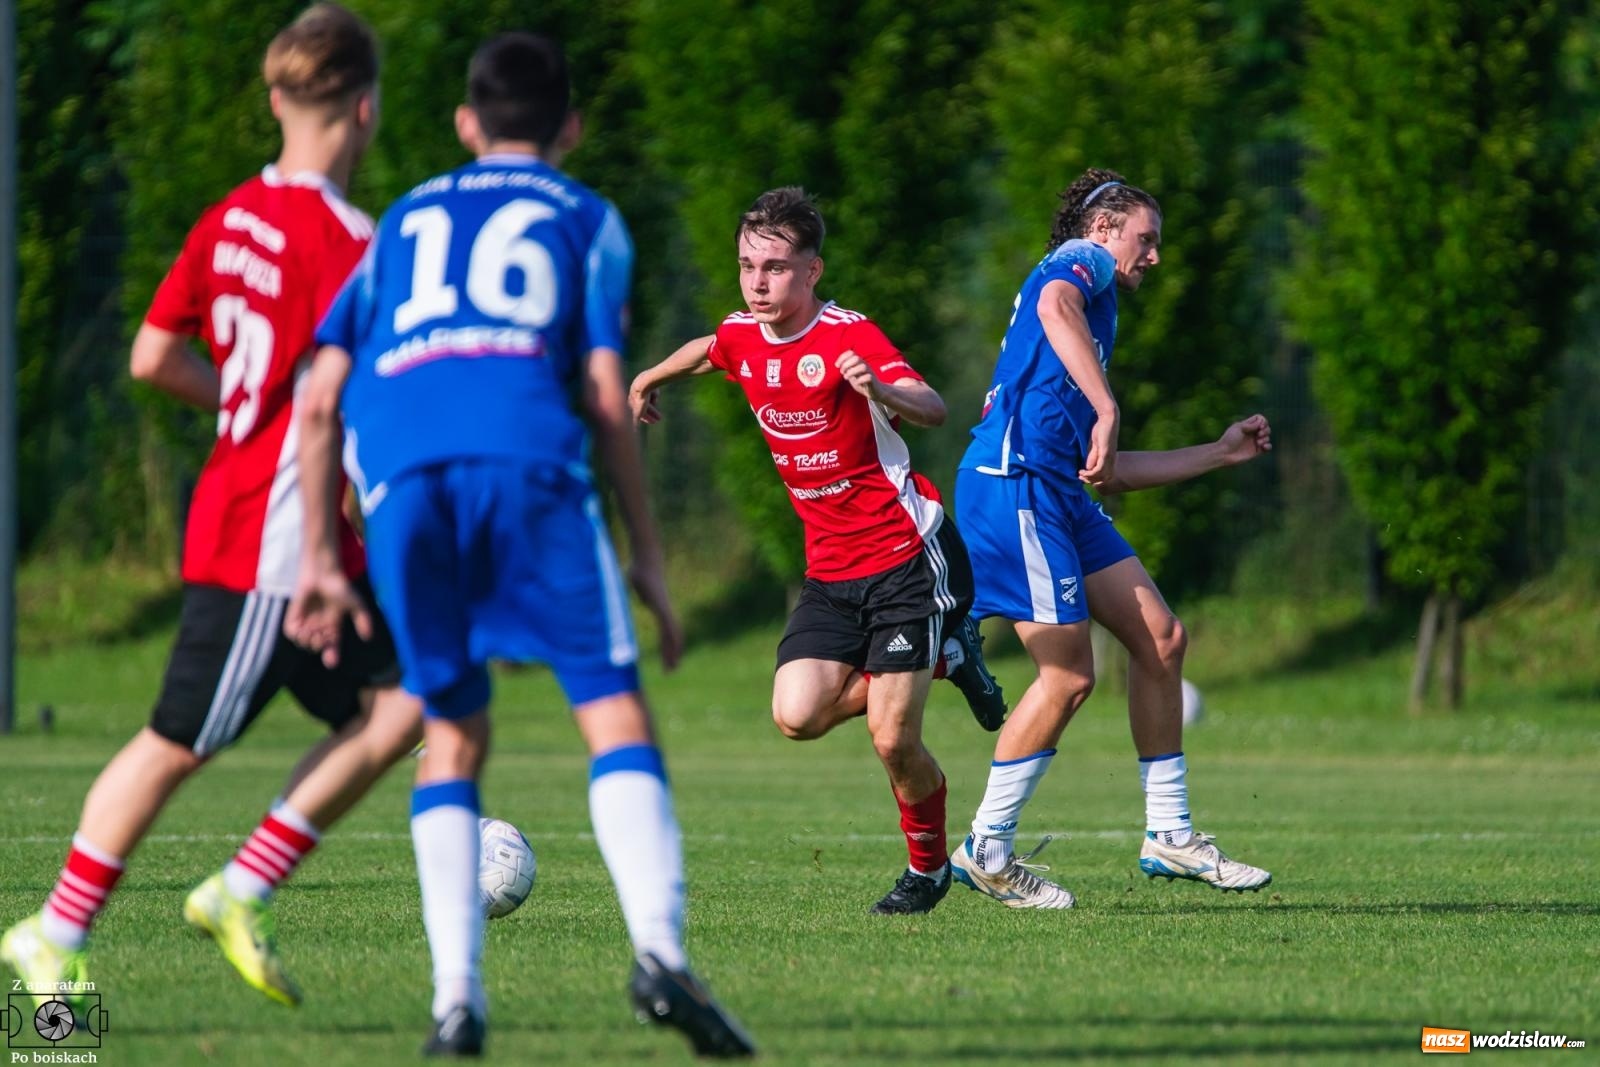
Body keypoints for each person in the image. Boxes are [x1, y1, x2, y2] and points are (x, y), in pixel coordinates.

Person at [286, 32, 754, 1058]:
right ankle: (659, 954)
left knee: (451, 732)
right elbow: (599, 392)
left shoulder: (401, 220)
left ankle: (457, 1001)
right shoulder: (588, 218)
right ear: (572, 128)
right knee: (611, 709)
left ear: (464, 125)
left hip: (404, 481)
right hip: (529, 469)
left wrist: (322, 550)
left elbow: (317, 400)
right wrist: (647, 552)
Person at [1, 2, 425, 1015]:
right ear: (363, 109)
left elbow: (153, 355)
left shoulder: (230, 216)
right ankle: (52, 932)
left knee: (414, 697)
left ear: (279, 98)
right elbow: (352, 404)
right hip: (274, 543)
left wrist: (244, 399)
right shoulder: (351, 241)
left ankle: (243, 884)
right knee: (176, 741)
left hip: (262, 509)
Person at [626, 187, 1005, 917]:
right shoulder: (746, 334)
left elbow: (932, 406)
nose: (757, 282)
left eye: (773, 267)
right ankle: (947, 656)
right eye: (746, 266)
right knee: (796, 715)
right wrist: (649, 378)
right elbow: (712, 348)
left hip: (905, 554)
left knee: (892, 737)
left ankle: (927, 871)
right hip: (831, 572)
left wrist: (885, 390)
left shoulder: (847, 334)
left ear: (813, 271)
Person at [947, 168, 1274, 908]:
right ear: (1103, 229)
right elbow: (1057, 302)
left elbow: (1110, 473)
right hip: (1014, 482)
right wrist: (1105, 403)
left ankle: (1169, 834)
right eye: (1145, 238)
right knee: (1068, 677)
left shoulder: (1095, 315)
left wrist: (1220, 452)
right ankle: (987, 848)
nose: (1153, 256)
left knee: (1160, 639)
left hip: (1055, 486)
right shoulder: (1080, 264)